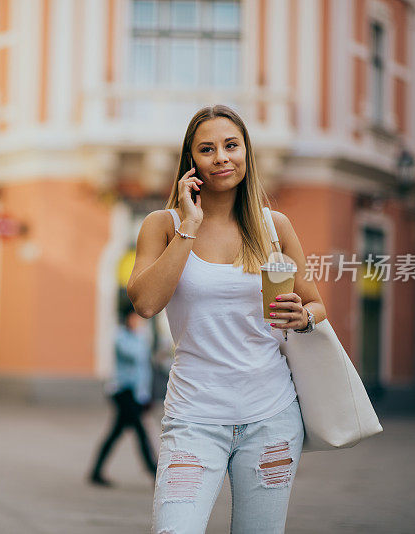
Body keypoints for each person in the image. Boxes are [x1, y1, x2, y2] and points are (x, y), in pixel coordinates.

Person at [127, 105, 327, 533]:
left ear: (246, 153)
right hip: (193, 416)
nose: (222, 157)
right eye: (207, 149)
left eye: (231, 145)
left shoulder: (274, 227)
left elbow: (315, 304)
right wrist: (189, 227)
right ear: (191, 162)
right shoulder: (163, 225)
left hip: (272, 417)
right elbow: (145, 303)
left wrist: (304, 317)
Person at [89, 302, 158, 487]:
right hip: (122, 391)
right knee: (141, 433)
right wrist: (142, 336)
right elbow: (135, 356)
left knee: (115, 433)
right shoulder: (121, 337)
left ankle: (95, 472)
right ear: (127, 318)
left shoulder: (140, 336)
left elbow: (144, 369)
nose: (138, 321)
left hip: (136, 394)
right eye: (135, 317)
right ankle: (155, 473)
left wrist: (145, 395)